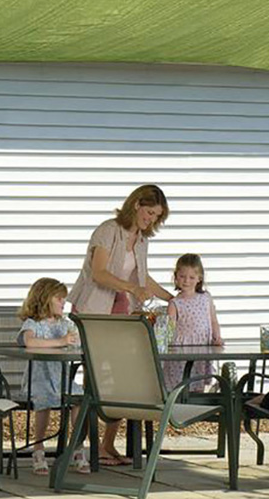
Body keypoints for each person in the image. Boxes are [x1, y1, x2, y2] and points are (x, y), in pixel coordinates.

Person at [67, 184, 174, 465]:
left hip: (121, 312)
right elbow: (100, 273)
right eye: (149, 212)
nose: (151, 220)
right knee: (95, 379)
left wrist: (172, 298)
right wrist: (132, 288)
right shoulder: (107, 230)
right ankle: (82, 447)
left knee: (122, 376)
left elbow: (143, 279)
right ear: (137, 203)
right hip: (93, 310)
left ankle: (106, 445)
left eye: (156, 217)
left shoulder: (141, 240)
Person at [17, 278, 89, 476]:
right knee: (44, 400)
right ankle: (38, 449)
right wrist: (60, 341)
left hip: (61, 379)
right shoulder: (33, 324)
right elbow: (29, 342)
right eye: (59, 298)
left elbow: (75, 341)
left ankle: (77, 446)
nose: (63, 302)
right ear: (45, 299)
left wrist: (74, 338)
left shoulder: (64, 324)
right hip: (38, 380)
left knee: (80, 398)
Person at [163, 254, 222, 391]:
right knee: (180, 384)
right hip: (182, 349)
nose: (186, 281)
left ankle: (197, 410)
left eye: (191, 277)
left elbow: (213, 320)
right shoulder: (175, 303)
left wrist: (217, 337)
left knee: (198, 384)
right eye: (182, 276)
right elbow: (169, 329)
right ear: (176, 277)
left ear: (199, 278)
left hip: (202, 346)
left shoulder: (206, 298)